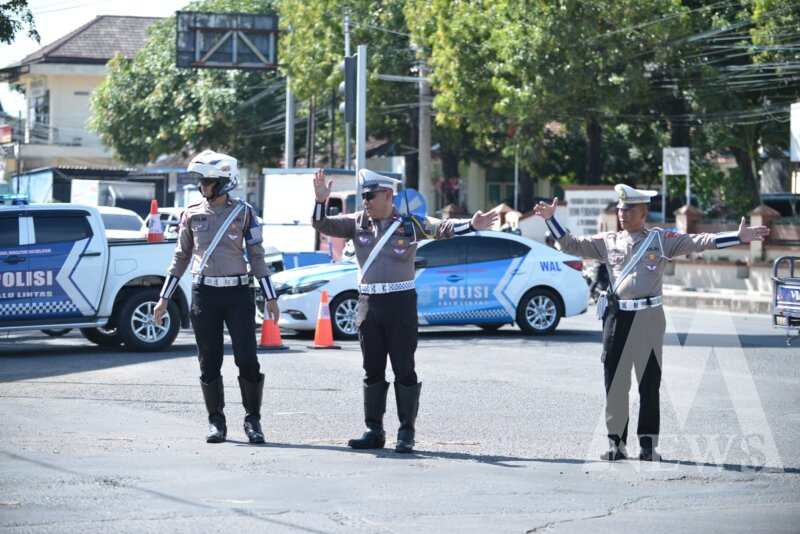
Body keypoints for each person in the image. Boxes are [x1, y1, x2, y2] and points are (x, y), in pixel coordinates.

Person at [533, 184, 769, 462]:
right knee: (615, 383)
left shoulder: (660, 240)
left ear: (643, 212)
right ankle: (616, 444)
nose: (623, 214)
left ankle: (647, 445)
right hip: (617, 317)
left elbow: (698, 241)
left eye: (629, 209)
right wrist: (551, 219)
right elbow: (572, 244)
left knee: (648, 383)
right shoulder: (608, 241)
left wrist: (736, 237)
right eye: (620, 209)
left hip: (648, 318)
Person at [312, 168, 497, 453]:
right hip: (368, 305)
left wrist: (472, 224)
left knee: (404, 368)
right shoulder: (356, 223)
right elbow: (321, 224)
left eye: (370, 196)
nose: (365, 202)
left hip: (400, 303)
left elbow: (442, 228)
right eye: (363, 197)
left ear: (388, 195)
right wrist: (321, 200)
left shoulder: (410, 224)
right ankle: (373, 430)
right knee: (372, 369)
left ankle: (406, 432)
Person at [153, 150, 280, 444]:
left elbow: (257, 256)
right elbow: (180, 257)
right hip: (204, 293)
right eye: (201, 181)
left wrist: (269, 295)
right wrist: (163, 298)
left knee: (247, 359)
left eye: (208, 181)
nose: (203, 186)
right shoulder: (192, 213)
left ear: (224, 182)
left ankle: (253, 420)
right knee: (208, 361)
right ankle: (216, 422)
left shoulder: (245, 213)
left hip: (238, 293)